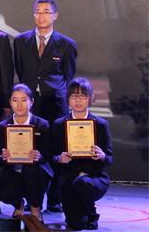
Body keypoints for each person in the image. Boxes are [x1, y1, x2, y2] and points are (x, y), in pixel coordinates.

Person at [13, 0, 77, 211]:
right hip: (29, 105)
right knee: (29, 150)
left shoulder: (67, 44)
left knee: (56, 150)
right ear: (33, 15)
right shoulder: (20, 41)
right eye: (38, 12)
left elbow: (68, 77)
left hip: (55, 104)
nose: (42, 16)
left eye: (47, 12)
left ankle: (54, 198)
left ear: (55, 15)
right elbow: (21, 71)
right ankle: (29, 198)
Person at [52, 78, 113, 230]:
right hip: (69, 179)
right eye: (74, 96)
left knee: (83, 182)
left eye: (83, 96)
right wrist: (60, 158)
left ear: (90, 99)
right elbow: (51, 156)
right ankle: (81, 212)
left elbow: (109, 158)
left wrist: (102, 156)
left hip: (94, 179)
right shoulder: (59, 124)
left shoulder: (101, 124)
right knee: (75, 224)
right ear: (68, 99)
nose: (78, 100)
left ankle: (92, 214)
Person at [0, 84, 53, 223]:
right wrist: (3, 156)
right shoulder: (3, 126)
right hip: (12, 170)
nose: (19, 104)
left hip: (36, 171)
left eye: (23, 100)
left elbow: (48, 154)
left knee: (30, 171)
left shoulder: (42, 124)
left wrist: (39, 156)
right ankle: (18, 204)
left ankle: (35, 208)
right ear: (10, 102)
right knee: (2, 184)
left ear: (31, 102)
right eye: (15, 100)